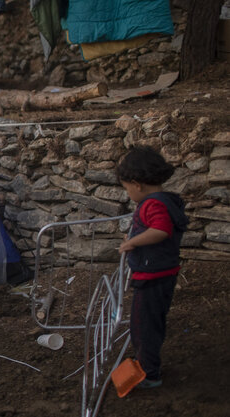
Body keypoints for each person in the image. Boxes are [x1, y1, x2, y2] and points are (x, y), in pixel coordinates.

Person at [116, 146, 188, 389]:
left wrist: (132, 243)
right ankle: (145, 364)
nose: (128, 194)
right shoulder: (166, 200)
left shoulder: (152, 205)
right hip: (161, 273)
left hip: (152, 275)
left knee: (144, 326)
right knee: (149, 322)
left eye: (127, 189)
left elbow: (160, 230)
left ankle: (149, 374)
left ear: (137, 184)